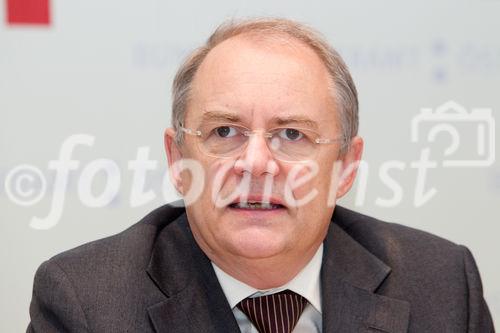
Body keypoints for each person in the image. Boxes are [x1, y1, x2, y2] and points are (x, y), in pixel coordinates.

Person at [27, 18, 494, 333]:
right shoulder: (86, 302)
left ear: (346, 167)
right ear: (178, 160)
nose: (255, 163)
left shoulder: (443, 285)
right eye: (224, 131)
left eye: (291, 134)